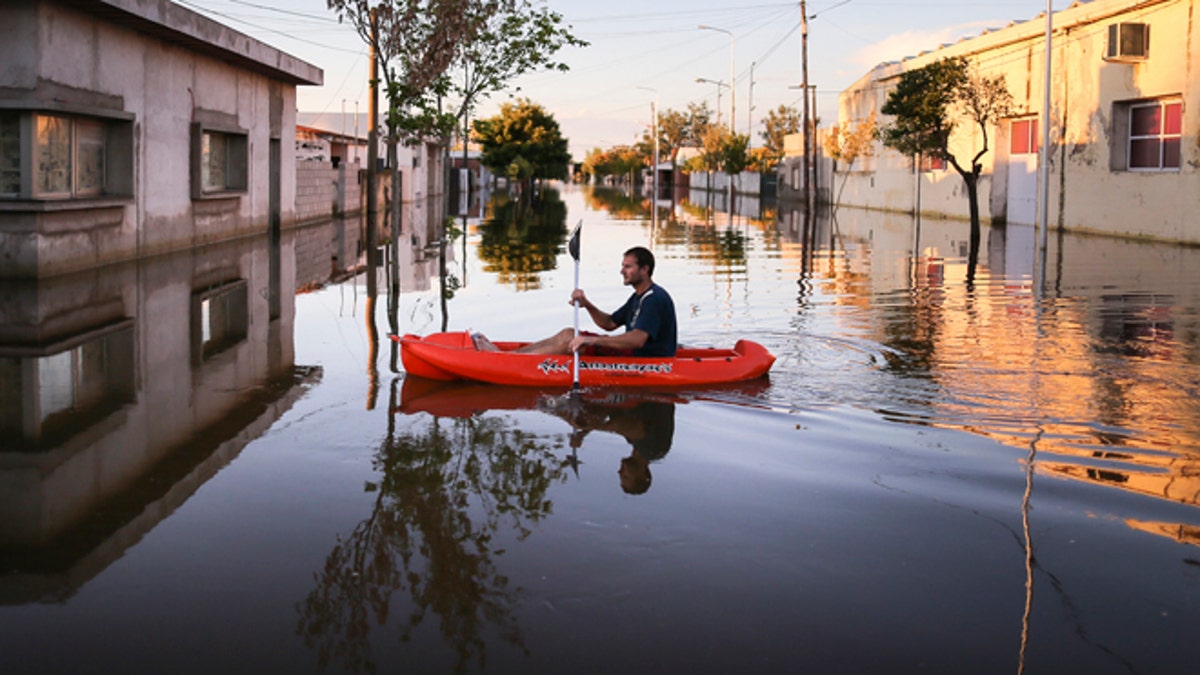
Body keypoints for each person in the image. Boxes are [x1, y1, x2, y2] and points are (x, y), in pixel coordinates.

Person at [474, 246, 677, 357]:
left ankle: (506, 360)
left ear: (645, 269)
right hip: (634, 353)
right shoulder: (638, 297)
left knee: (570, 340)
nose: (622, 271)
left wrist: (592, 340)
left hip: (645, 361)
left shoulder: (654, 299)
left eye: (628, 267)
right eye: (622, 266)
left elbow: (637, 340)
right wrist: (586, 303)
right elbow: (609, 323)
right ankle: (507, 356)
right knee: (567, 333)